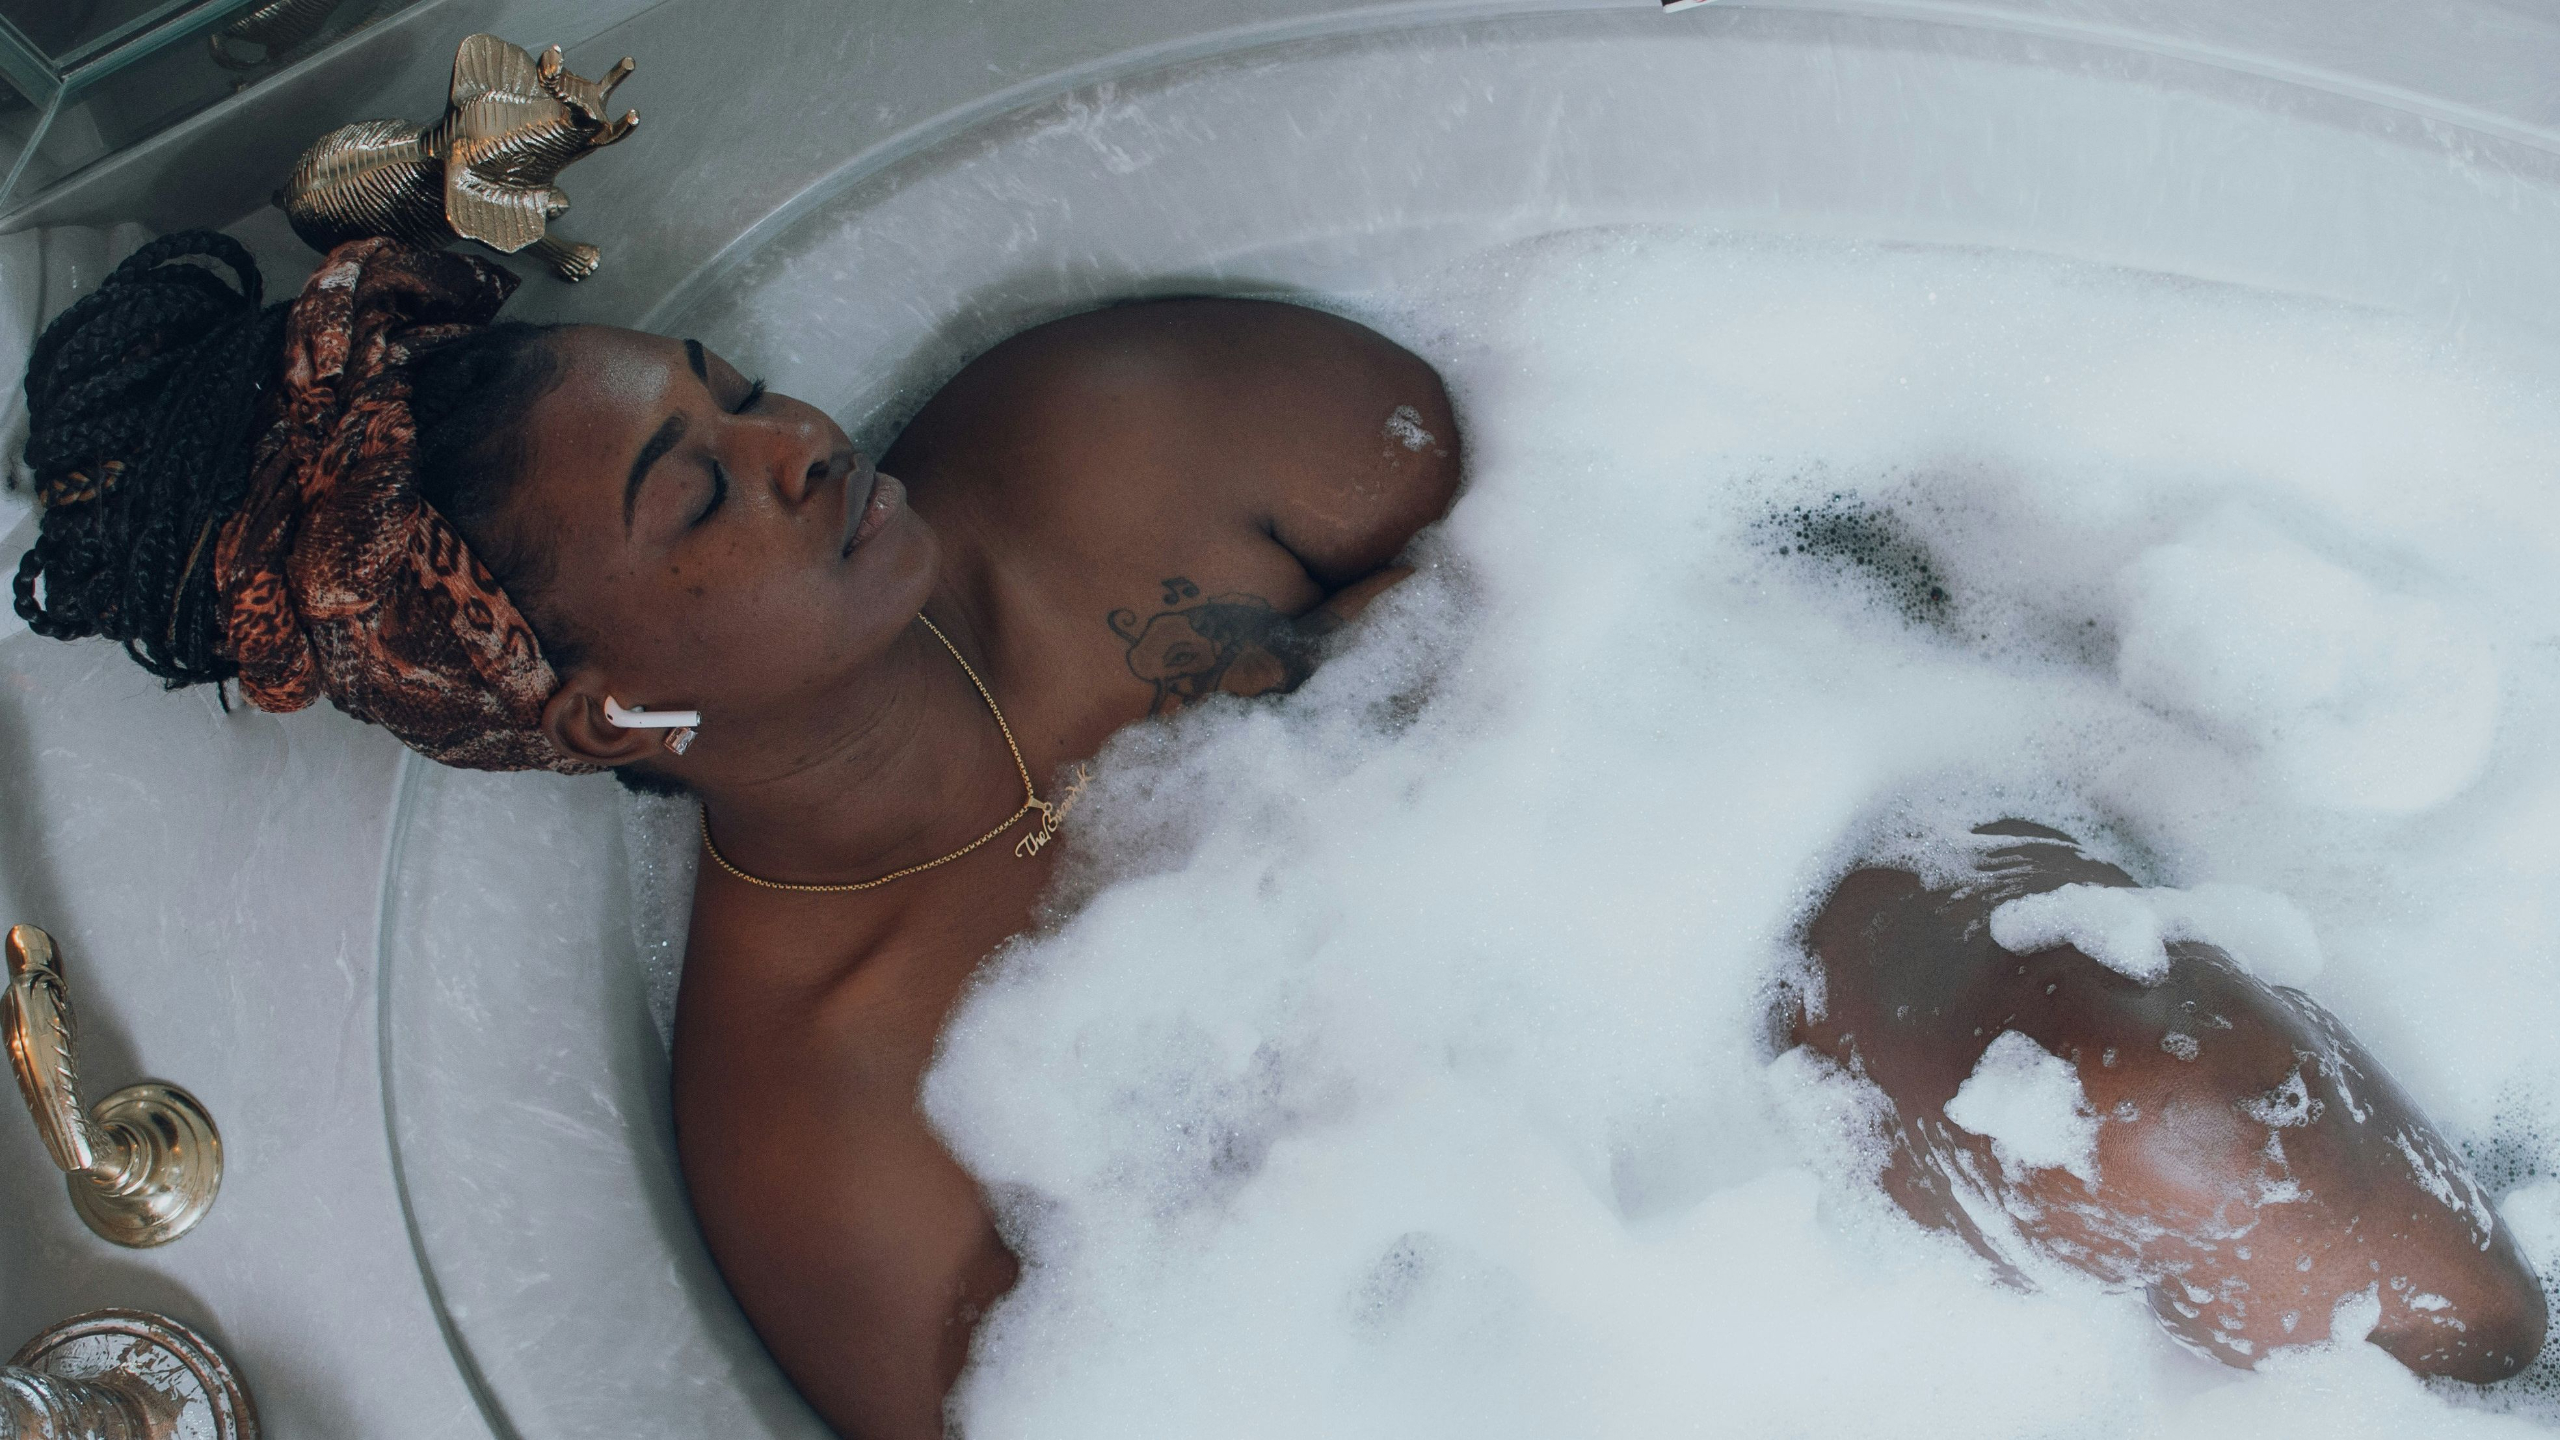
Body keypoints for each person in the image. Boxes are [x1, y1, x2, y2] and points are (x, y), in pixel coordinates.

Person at [11, 233, 2542, 1440]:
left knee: (2135, 1092)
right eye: (698, 488)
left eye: (729, 386)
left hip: (1784, 880)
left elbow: (1730, 565)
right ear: (595, 708)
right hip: (1582, 1299)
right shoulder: (826, 1109)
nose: (790, 442)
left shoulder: (1135, 430)